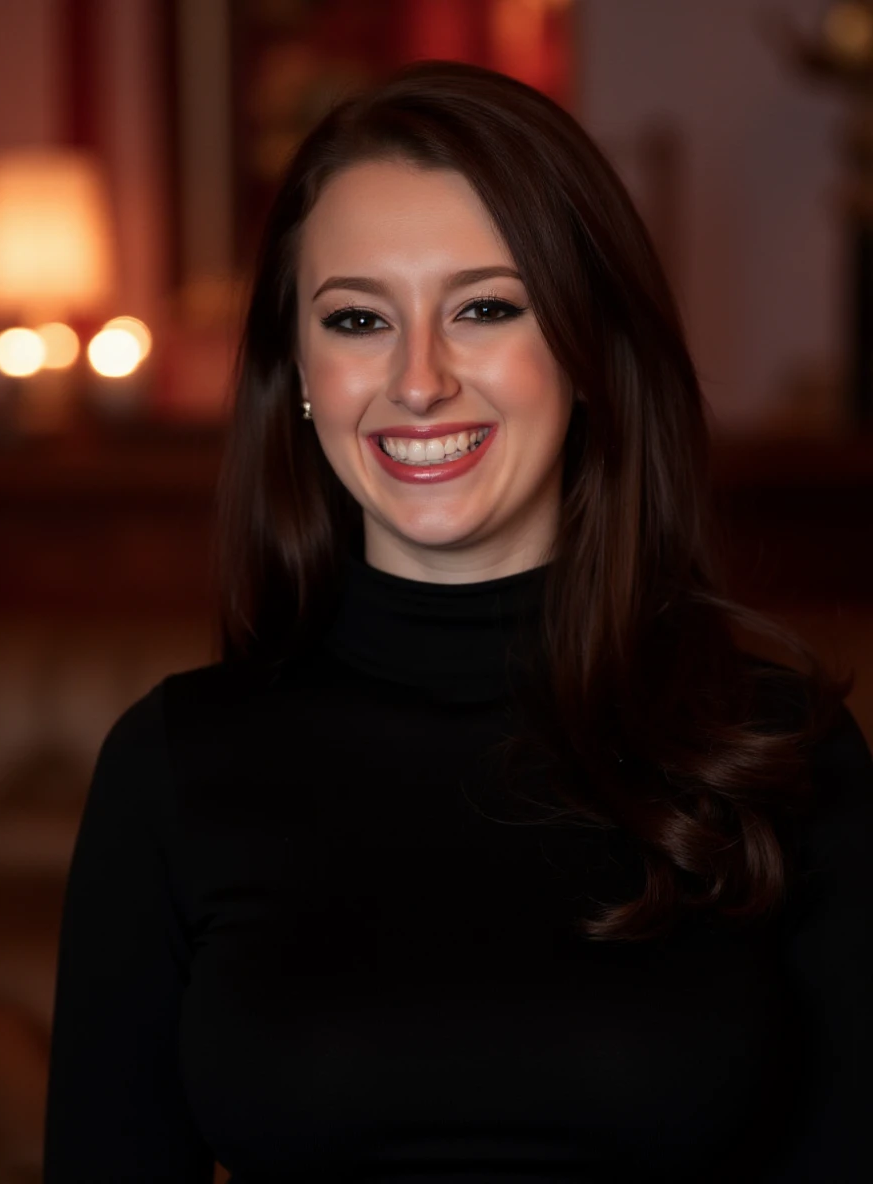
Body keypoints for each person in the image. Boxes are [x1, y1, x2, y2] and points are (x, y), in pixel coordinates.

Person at [43, 60, 872, 1184]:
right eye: (356, 319)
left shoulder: (782, 752)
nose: (418, 379)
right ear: (299, 373)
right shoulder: (171, 764)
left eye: (484, 307)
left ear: (586, 350)